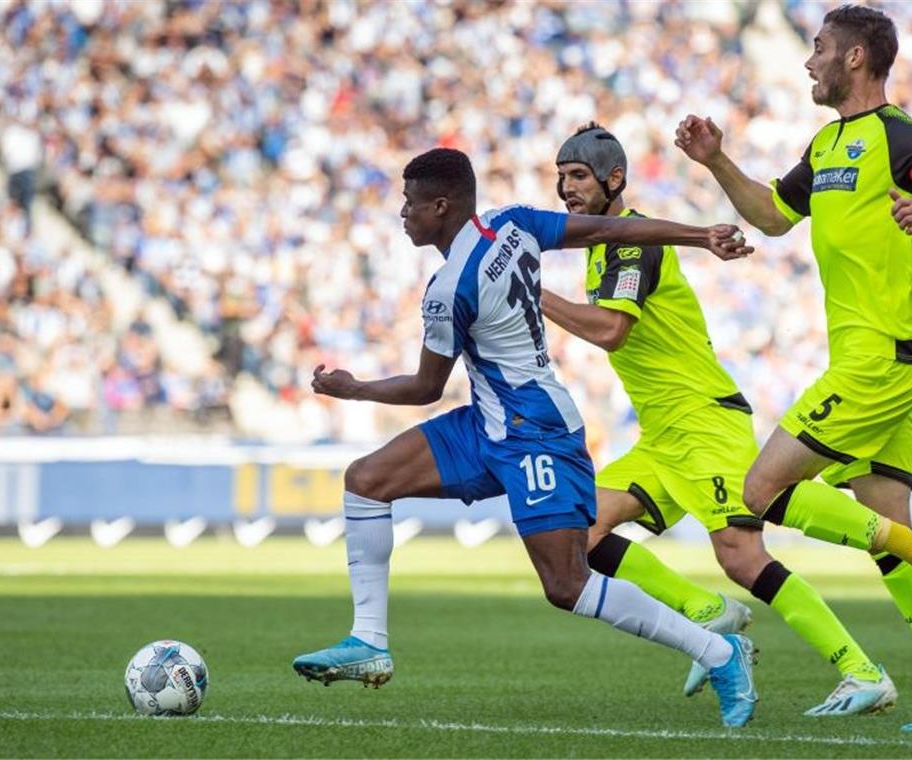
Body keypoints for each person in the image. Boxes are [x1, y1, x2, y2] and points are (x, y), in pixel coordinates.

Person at [293, 147, 761, 727]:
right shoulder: (513, 224)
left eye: (409, 204)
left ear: (441, 206)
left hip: (537, 432)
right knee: (365, 481)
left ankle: (719, 651)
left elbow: (424, 388)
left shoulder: (449, 289)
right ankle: (368, 641)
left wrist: (354, 388)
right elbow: (611, 229)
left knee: (567, 585)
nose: (402, 214)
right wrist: (700, 236)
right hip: (486, 421)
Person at [673, 4, 912, 738]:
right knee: (883, 533)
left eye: (818, 49)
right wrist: (716, 162)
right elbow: (774, 217)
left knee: (760, 489)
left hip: (880, 360)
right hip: (876, 359)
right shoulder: (827, 144)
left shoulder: (902, 135)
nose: (808, 62)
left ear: (856, 59)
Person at [542, 121, 896, 717]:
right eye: (560, 177)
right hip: (663, 434)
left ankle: (862, 670)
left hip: (703, 421)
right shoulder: (609, 242)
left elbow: (611, 330)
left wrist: (534, 292)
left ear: (615, 179)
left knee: (740, 554)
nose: (566, 188)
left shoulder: (631, 242)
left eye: (577, 176)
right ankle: (710, 615)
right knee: (583, 530)